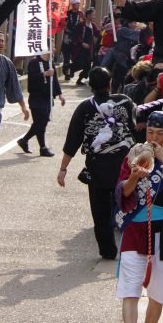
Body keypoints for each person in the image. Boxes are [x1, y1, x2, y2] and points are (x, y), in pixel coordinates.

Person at [115, 110, 163, 323]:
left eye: (160, 133)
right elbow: (122, 193)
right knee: (130, 288)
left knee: (158, 291)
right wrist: (133, 177)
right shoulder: (132, 156)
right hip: (134, 227)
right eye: (150, 132)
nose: (154, 138)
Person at [57, 67, 136, 259]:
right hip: (125, 164)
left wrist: (63, 168)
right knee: (130, 205)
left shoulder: (85, 107)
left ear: (90, 85)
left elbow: (73, 140)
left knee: (101, 213)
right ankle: (134, 248)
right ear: (110, 82)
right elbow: (136, 128)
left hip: (98, 166)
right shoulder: (125, 102)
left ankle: (108, 251)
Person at [0, 30, 29, 188]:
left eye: (3, 41)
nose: (1, 43)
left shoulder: (6, 63)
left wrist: (23, 107)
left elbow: (14, 87)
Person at [17, 50, 65, 157]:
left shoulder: (50, 62)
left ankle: (24, 140)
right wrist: (44, 74)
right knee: (41, 123)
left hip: (48, 98)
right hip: (36, 98)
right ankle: (42, 148)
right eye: (51, 46)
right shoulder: (34, 62)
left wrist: (60, 94)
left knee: (41, 123)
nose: (54, 49)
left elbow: (55, 80)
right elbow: (32, 80)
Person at [70, 8, 100, 86]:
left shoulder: (93, 25)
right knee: (80, 63)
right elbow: (76, 35)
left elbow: (97, 34)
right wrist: (82, 43)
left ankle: (79, 80)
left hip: (89, 49)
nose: (94, 16)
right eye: (93, 15)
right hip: (80, 49)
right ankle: (68, 67)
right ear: (88, 15)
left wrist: (104, 31)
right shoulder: (80, 25)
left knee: (87, 67)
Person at [61, 0, 83, 81]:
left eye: (78, 4)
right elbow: (63, 23)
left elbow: (82, 23)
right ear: (73, 5)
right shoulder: (67, 13)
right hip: (68, 36)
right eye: (76, 4)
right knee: (66, 56)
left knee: (75, 56)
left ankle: (72, 71)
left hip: (76, 37)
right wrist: (65, 27)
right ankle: (66, 73)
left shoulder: (80, 14)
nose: (78, 5)